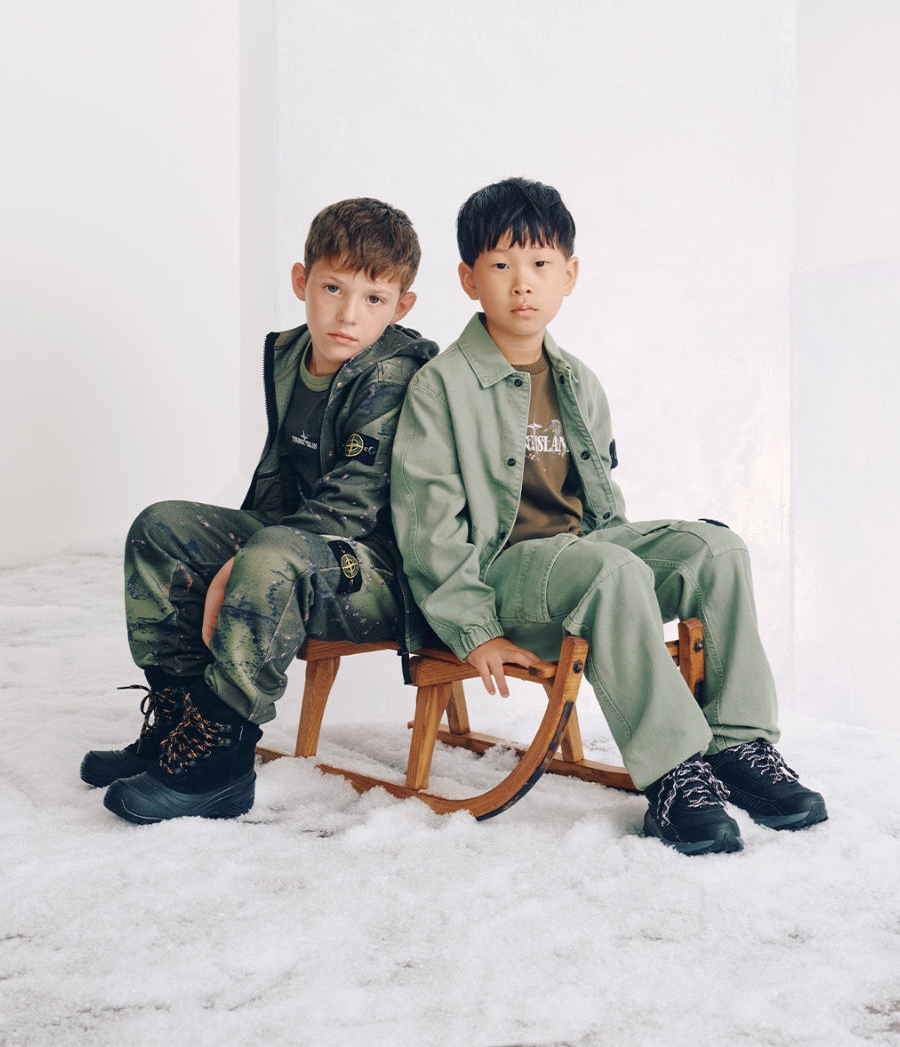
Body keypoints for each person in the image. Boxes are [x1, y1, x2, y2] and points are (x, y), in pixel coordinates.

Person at [390, 177, 826, 855]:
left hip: (584, 561)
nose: (522, 283)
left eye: (540, 263)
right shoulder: (440, 386)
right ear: (469, 279)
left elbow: (601, 510)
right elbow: (428, 528)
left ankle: (738, 747)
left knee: (716, 551)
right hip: (502, 579)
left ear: (569, 275)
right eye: (500, 265)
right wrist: (473, 630)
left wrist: (622, 556)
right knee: (607, 569)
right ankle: (674, 775)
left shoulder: (579, 382)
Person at [82, 197, 438, 825]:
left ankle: (220, 763)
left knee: (271, 556)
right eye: (333, 288)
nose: (348, 314)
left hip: (381, 571)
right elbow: (283, 477)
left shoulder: (392, 376)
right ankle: (179, 728)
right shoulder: (291, 354)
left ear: (401, 307)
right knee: (160, 527)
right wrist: (245, 548)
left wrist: (247, 558)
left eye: (374, 299)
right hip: (297, 542)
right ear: (302, 281)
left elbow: (352, 506)